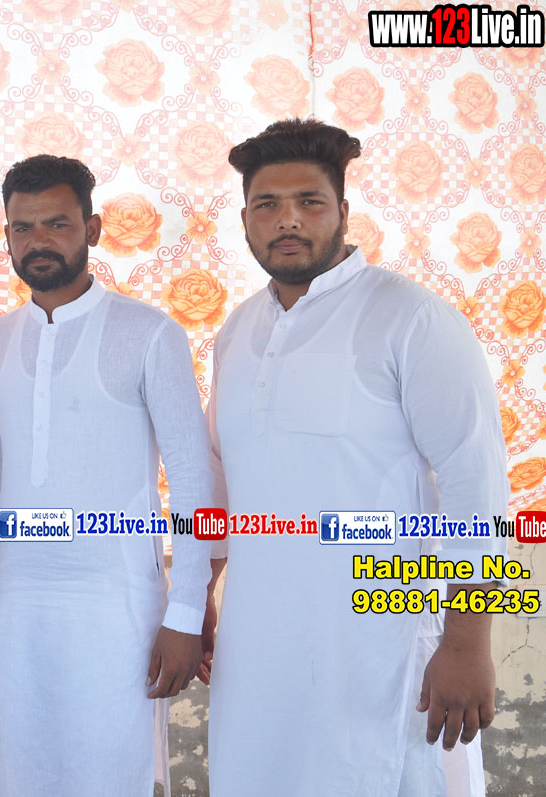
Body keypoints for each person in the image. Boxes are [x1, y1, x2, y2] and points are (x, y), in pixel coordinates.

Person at [204, 118, 508, 796]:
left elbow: (477, 483)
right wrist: (200, 592)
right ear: (245, 220)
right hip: (258, 645)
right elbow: (219, 475)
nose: (288, 219)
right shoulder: (238, 330)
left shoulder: (411, 318)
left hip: (378, 644)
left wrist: (467, 642)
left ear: (343, 211)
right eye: (267, 204)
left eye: (309, 202)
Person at [0, 154, 213, 796]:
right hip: (19, 606)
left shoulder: (150, 333)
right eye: (22, 228)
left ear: (94, 229)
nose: (38, 241)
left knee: (111, 776)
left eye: (57, 223)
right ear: (6, 236)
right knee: (22, 778)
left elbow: (193, 484)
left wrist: (186, 611)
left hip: (118, 603)